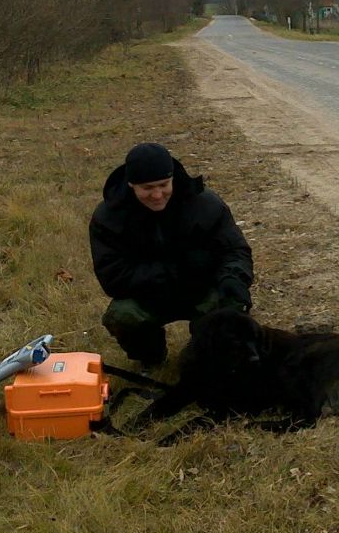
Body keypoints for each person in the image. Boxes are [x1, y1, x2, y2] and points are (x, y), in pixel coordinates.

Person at [89, 142, 254, 367]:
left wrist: (233, 278)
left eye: (163, 184)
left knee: (232, 299)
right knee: (122, 315)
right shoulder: (108, 219)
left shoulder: (205, 204)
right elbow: (113, 278)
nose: (157, 195)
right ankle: (151, 357)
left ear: (173, 178)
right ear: (131, 185)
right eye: (147, 188)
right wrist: (177, 270)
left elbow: (236, 250)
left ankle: (209, 355)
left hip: (201, 289)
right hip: (149, 295)